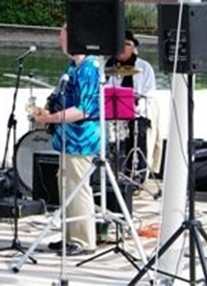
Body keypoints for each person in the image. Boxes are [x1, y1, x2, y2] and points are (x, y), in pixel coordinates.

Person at [32, 23, 101, 256]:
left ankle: (83, 240)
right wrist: (46, 112)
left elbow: (84, 109)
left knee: (79, 187)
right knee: (67, 185)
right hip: (67, 137)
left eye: (62, 38)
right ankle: (70, 236)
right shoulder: (73, 66)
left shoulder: (89, 68)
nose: (60, 42)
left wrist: (52, 117)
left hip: (82, 138)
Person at [105, 30, 162, 176]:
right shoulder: (107, 67)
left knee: (140, 132)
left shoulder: (144, 67)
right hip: (112, 112)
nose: (123, 48)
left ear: (133, 47)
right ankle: (112, 172)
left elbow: (150, 92)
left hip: (138, 112)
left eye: (127, 44)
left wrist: (134, 99)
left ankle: (138, 174)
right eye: (120, 44)